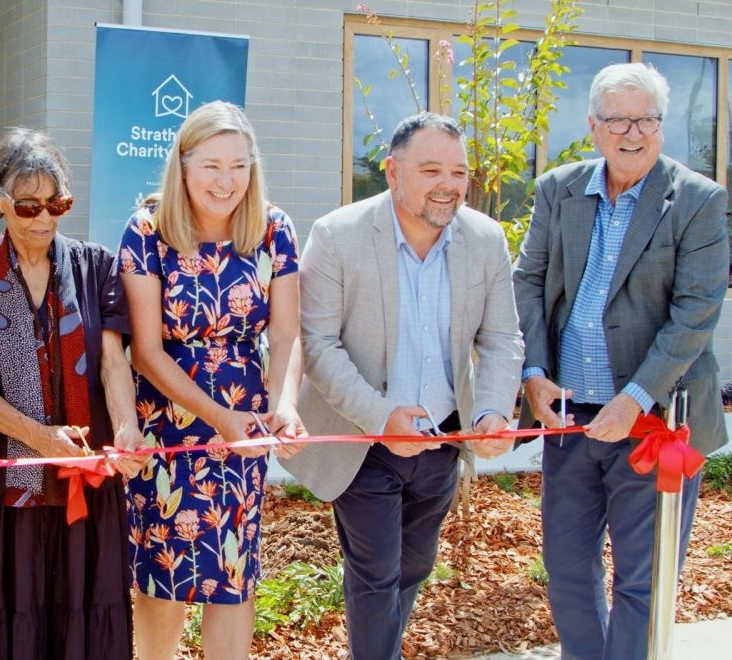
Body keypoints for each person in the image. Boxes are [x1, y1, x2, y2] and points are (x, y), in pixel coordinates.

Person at [282, 112, 523, 660]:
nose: (449, 185)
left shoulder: (485, 241)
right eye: (431, 169)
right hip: (362, 440)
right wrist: (380, 417)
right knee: (375, 571)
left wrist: (490, 412)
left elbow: (502, 338)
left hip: (443, 438)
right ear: (392, 171)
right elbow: (317, 344)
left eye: (459, 172)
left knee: (414, 566)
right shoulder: (338, 234)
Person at [512, 63, 729, 660]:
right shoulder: (558, 190)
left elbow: (695, 313)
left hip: (655, 420)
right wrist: (533, 374)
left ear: (661, 125)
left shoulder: (699, 200)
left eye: (646, 120)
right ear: (593, 126)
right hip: (570, 421)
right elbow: (527, 281)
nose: (632, 133)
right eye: (617, 120)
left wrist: (634, 397)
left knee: (643, 577)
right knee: (567, 569)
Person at [0, 128, 147, 660]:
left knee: (80, 616)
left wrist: (127, 428)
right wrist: (38, 437)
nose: (44, 219)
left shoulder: (95, 268)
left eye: (57, 204)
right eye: (28, 206)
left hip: (83, 488)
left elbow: (114, 362)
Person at [119, 100, 304, 659]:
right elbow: (146, 351)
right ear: (183, 164)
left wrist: (285, 405)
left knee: (232, 576)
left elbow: (290, 336)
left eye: (239, 166)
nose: (227, 182)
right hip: (167, 429)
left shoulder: (274, 228)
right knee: (164, 581)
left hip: (243, 428)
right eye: (212, 166)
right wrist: (217, 417)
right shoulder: (146, 229)